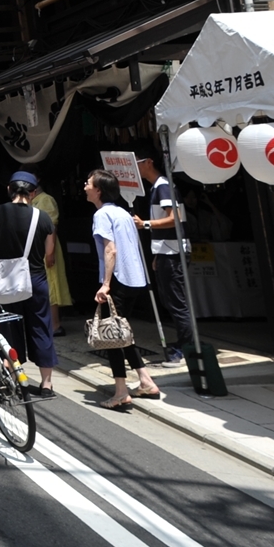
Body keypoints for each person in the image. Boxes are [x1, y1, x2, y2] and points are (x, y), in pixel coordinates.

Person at [86, 168, 160, 409]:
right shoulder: (123, 213)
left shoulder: (102, 215)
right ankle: (145, 380)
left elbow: (111, 249)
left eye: (88, 183)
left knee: (111, 337)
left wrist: (105, 284)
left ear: (98, 190)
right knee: (121, 331)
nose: (85, 186)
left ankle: (120, 391)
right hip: (135, 278)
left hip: (117, 278)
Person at [0, 172, 58, 394]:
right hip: (35, 279)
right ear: (33, 192)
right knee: (41, 327)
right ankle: (46, 383)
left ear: (10, 189)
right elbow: (49, 252)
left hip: (9, 281)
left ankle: (12, 373)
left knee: (9, 326)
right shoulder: (43, 217)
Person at [136, 157, 193, 363]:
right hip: (166, 252)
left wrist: (145, 224)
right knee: (172, 300)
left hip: (174, 252)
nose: (136, 167)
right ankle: (184, 343)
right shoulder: (158, 187)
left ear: (149, 162)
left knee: (177, 302)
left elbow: (174, 218)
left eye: (137, 162)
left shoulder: (163, 186)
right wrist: (157, 255)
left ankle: (187, 346)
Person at [31, 182, 70, 334]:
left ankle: (54, 324)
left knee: (51, 285)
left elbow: (51, 227)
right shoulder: (34, 200)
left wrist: (50, 252)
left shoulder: (45, 199)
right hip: (38, 247)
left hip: (47, 246)